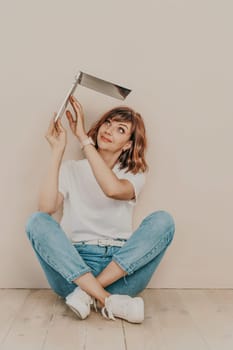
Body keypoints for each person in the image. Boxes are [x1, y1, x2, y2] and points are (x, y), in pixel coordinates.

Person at [25, 95, 175, 324]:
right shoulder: (72, 170)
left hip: (121, 270)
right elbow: (45, 208)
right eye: (108, 123)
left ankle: (87, 294)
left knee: (164, 221)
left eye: (120, 129)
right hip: (73, 268)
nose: (109, 130)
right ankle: (107, 299)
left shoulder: (134, 174)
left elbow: (112, 189)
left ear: (128, 145)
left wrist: (84, 140)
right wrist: (57, 151)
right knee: (36, 221)